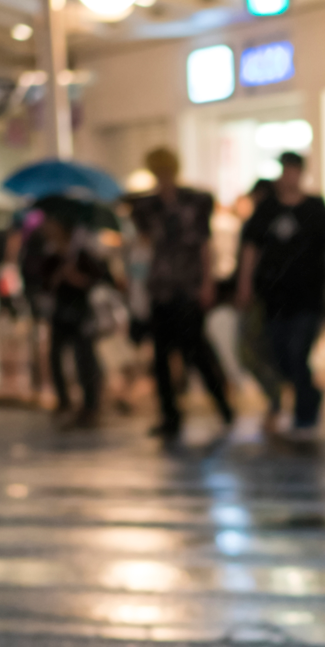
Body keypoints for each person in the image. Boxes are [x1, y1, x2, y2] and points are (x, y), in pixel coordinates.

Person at [237, 152, 325, 439]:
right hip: (273, 297)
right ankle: (307, 397)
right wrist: (244, 283)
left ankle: (306, 412)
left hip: (308, 297)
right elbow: (250, 249)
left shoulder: (315, 209)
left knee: (297, 351)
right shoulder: (266, 208)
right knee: (280, 354)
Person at [127, 148, 233, 441]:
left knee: (196, 351)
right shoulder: (149, 207)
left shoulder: (194, 202)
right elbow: (144, 244)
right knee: (161, 356)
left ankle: (223, 406)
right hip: (161, 288)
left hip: (187, 286)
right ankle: (170, 415)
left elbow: (203, 244)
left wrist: (207, 283)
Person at [35, 211, 114, 428]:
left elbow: (101, 278)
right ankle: (64, 401)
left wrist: (79, 279)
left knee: (84, 359)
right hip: (59, 310)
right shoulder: (50, 253)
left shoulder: (82, 251)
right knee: (55, 357)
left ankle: (90, 405)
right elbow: (42, 283)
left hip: (81, 311)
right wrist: (57, 276)